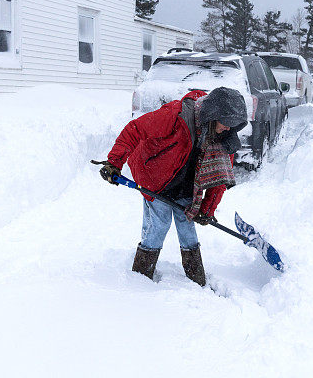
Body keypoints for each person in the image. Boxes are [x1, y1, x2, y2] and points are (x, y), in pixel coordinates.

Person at [99, 87, 247, 286]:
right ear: (213, 114)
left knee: (187, 228)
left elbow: (219, 179)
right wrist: (114, 163)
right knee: (158, 225)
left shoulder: (223, 140)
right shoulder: (176, 116)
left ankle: (196, 280)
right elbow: (135, 129)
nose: (229, 128)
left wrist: (206, 210)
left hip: (186, 185)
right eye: (227, 123)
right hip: (155, 178)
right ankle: (140, 279)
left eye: (233, 125)